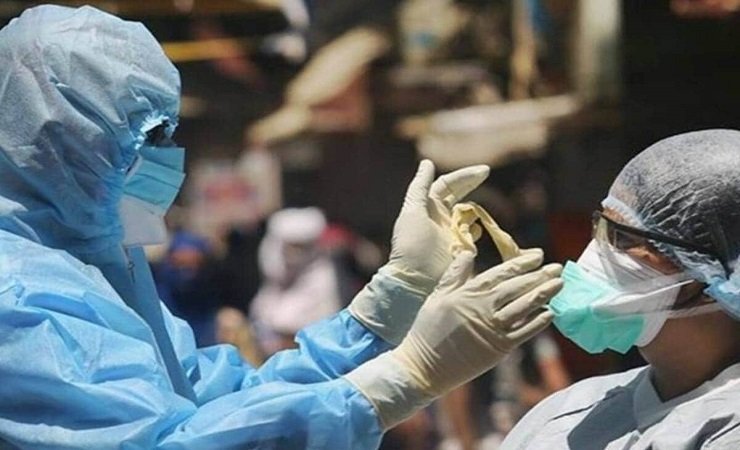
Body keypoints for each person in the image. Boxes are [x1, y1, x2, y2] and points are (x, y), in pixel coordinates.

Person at [0, 6, 562, 449]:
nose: (167, 156)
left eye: (169, 131)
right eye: (147, 137)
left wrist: (390, 301)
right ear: (57, 145)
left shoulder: (98, 272)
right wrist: (407, 375)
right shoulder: (18, 300)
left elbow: (227, 404)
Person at [501, 129, 740, 449]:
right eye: (601, 228)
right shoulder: (565, 413)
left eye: (624, 238)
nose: (598, 251)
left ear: (716, 275)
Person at [249, 207, 343, 354]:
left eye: (300, 246)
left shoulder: (321, 277)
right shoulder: (273, 283)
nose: (293, 254)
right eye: (289, 246)